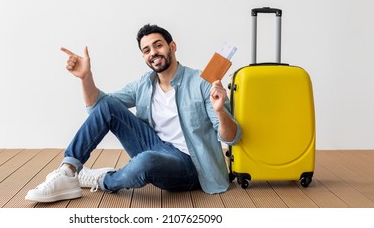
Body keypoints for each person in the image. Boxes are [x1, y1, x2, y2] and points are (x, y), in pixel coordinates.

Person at [25, 24, 242, 203]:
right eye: (146, 50)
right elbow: (98, 108)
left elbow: (231, 137)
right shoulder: (144, 84)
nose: (153, 53)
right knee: (109, 106)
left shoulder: (201, 83)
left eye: (158, 45)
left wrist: (219, 110)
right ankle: (68, 171)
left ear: (172, 46)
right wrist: (85, 77)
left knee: (145, 161)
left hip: (191, 165)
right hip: (155, 146)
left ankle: (103, 179)